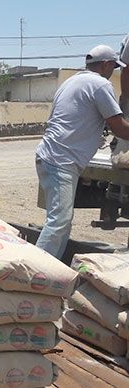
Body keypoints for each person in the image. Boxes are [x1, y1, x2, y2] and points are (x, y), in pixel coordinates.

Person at [35, 45, 129, 259]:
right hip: (61, 160)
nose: (113, 72)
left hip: (51, 156)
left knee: (60, 221)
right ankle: (36, 275)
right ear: (105, 64)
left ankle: (49, 270)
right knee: (59, 222)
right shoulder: (100, 84)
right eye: (114, 67)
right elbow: (118, 127)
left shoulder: (72, 81)